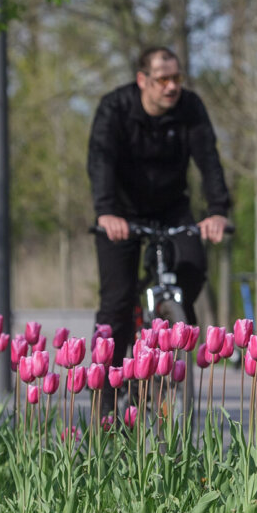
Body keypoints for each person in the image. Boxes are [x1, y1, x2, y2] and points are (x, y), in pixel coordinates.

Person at [87, 46, 231, 375]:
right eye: (162, 79)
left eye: (176, 78)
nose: (171, 87)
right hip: (121, 212)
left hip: (171, 207)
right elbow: (100, 160)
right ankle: (106, 407)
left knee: (193, 267)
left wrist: (218, 210)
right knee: (116, 303)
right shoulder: (115, 108)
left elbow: (208, 159)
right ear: (142, 80)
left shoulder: (190, 107)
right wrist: (106, 211)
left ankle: (161, 347)